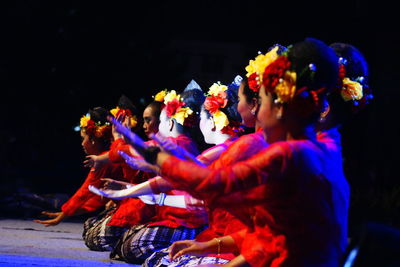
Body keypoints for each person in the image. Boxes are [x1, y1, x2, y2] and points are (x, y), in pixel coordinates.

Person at [112, 38, 348, 266]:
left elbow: (211, 182)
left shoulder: (289, 154)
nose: (257, 110)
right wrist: (207, 247)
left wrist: (156, 159)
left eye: (262, 100)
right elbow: (273, 237)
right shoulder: (324, 148)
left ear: (279, 107)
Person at [33, 107, 123, 227]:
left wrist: (62, 216)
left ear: (92, 140)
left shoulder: (103, 161)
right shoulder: (106, 157)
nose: (81, 143)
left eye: (82, 138)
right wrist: (65, 213)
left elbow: (84, 192)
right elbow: (97, 200)